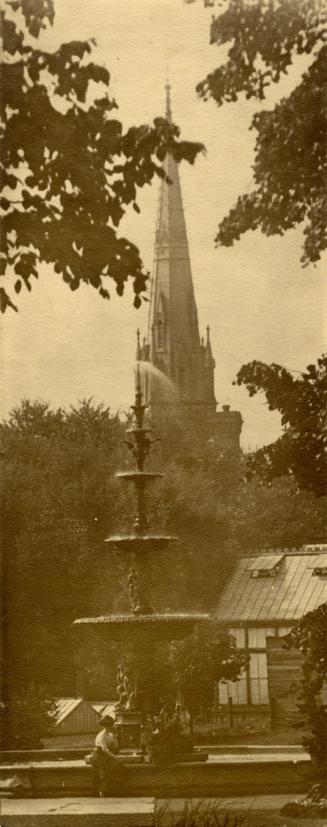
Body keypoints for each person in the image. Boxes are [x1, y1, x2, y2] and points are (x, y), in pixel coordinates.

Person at [87, 715, 127, 796]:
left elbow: (115, 746)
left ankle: (115, 789)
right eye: (111, 725)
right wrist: (115, 757)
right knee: (105, 770)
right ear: (107, 726)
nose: (112, 726)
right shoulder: (102, 735)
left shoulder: (110, 735)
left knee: (118, 767)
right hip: (100, 755)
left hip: (106, 755)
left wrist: (116, 737)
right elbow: (104, 749)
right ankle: (103, 791)